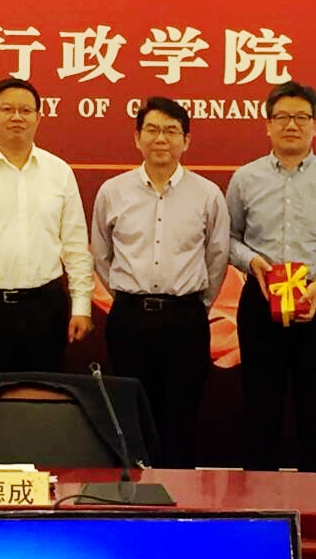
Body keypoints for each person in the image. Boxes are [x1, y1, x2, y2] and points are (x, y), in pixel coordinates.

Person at [227, 81, 316, 472]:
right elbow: (228, 238)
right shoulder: (246, 178)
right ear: (268, 124)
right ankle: (257, 498)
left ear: (315, 125)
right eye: (282, 117)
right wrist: (252, 262)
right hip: (261, 301)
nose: (292, 125)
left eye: (302, 117)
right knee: (260, 408)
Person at [90, 96, 229, 469]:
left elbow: (217, 256)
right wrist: (127, 295)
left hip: (186, 318)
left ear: (186, 140)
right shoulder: (113, 191)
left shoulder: (207, 194)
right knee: (131, 416)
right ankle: (135, 496)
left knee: (181, 416)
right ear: (137, 137)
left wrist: (198, 304)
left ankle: (180, 496)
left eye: (171, 130)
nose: (161, 138)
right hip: (130, 318)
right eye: (151, 129)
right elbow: (101, 254)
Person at [0, 77, 94, 373]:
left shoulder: (59, 172)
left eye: (25, 110)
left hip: (44, 307)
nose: (16, 117)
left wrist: (81, 306)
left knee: (41, 393)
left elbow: (75, 246)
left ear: (38, 117)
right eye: (7, 109)